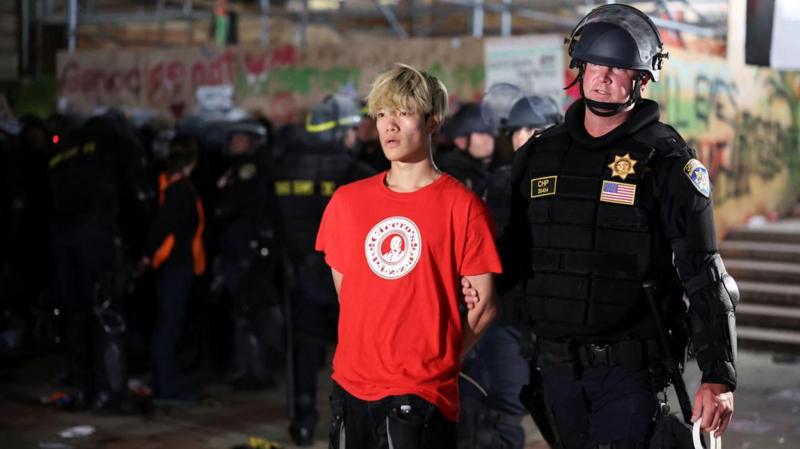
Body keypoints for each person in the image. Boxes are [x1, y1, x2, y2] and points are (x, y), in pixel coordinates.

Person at [464, 4, 737, 448]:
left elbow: (704, 273)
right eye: (595, 64)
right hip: (554, 368)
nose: (603, 77)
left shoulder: (666, 162)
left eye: (618, 68)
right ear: (579, 68)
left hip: (629, 374)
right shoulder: (538, 155)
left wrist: (719, 376)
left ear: (642, 79)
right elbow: (509, 255)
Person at [315, 63, 502, 449]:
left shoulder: (462, 206)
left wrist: (437, 360)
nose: (389, 125)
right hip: (350, 384)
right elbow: (348, 292)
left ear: (433, 122)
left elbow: (483, 307)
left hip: (421, 394)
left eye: (403, 112)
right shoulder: (348, 202)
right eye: (382, 113)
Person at [458, 93, 564, 449]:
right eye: (522, 131)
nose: (527, 138)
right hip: (511, 320)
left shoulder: (569, 182)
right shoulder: (501, 182)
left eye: (536, 130)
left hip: (546, 323)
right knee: (503, 414)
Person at [273, 94, 376, 446]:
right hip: (348, 282)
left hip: (299, 277)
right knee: (353, 356)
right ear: (339, 132)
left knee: (303, 354)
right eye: (351, 129)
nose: (356, 135)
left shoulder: (282, 166)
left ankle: (302, 421)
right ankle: (350, 424)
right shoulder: (356, 173)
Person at [213, 121, 282, 389]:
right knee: (245, 310)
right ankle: (250, 367)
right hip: (243, 248)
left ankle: (255, 370)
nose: (233, 143)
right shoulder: (238, 168)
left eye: (239, 138)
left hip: (249, 250)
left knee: (250, 311)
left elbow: (232, 204)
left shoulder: (251, 169)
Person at [143, 134, 206, 404]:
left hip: (173, 264)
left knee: (167, 325)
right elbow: (163, 227)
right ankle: (166, 389)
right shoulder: (180, 190)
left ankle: (163, 384)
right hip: (176, 265)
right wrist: (148, 253)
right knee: (169, 326)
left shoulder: (168, 184)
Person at [436, 103, 496, 195]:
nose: (489, 140)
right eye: (481, 134)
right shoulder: (451, 173)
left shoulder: (478, 170)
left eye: (490, 134)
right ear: (460, 140)